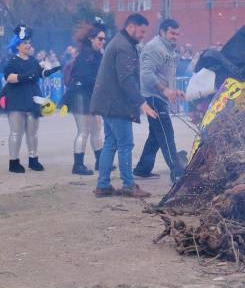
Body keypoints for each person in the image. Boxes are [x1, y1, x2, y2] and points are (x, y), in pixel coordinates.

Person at [91, 13, 157, 198]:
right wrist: (142, 103)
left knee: (110, 143)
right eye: (141, 31)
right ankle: (128, 185)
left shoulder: (119, 42)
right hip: (116, 105)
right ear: (131, 27)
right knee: (125, 144)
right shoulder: (124, 47)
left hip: (108, 103)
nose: (143, 35)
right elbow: (126, 79)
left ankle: (103, 185)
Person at [0, 25, 62, 173]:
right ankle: (14, 162)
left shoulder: (33, 60)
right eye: (25, 43)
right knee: (16, 132)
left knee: (33, 132)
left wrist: (50, 71)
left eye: (29, 43)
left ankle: (33, 159)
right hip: (16, 99)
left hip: (32, 98)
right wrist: (25, 76)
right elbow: (9, 77)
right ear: (17, 46)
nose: (28, 45)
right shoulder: (13, 61)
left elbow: (40, 73)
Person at [134, 18, 184, 182]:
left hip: (160, 97)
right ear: (162, 32)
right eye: (172, 33)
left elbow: (164, 75)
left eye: (177, 34)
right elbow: (146, 75)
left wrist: (174, 91)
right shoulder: (154, 47)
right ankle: (177, 173)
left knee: (156, 135)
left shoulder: (168, 49)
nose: (175, 36)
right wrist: (165, 90)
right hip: (153, 98)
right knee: (166, 133)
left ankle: (142, 169)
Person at [63, 19, 106, 175]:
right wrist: (101, 83)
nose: (102, 41)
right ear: (91, 39)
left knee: (96, 128)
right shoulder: (85, 56)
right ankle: (78, 165)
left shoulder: (97, 55)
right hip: (80, 95)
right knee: (84, 130)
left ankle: (100, 162)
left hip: (90, 95)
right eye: (100, 38)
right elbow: (84, 77)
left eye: (104, 39)